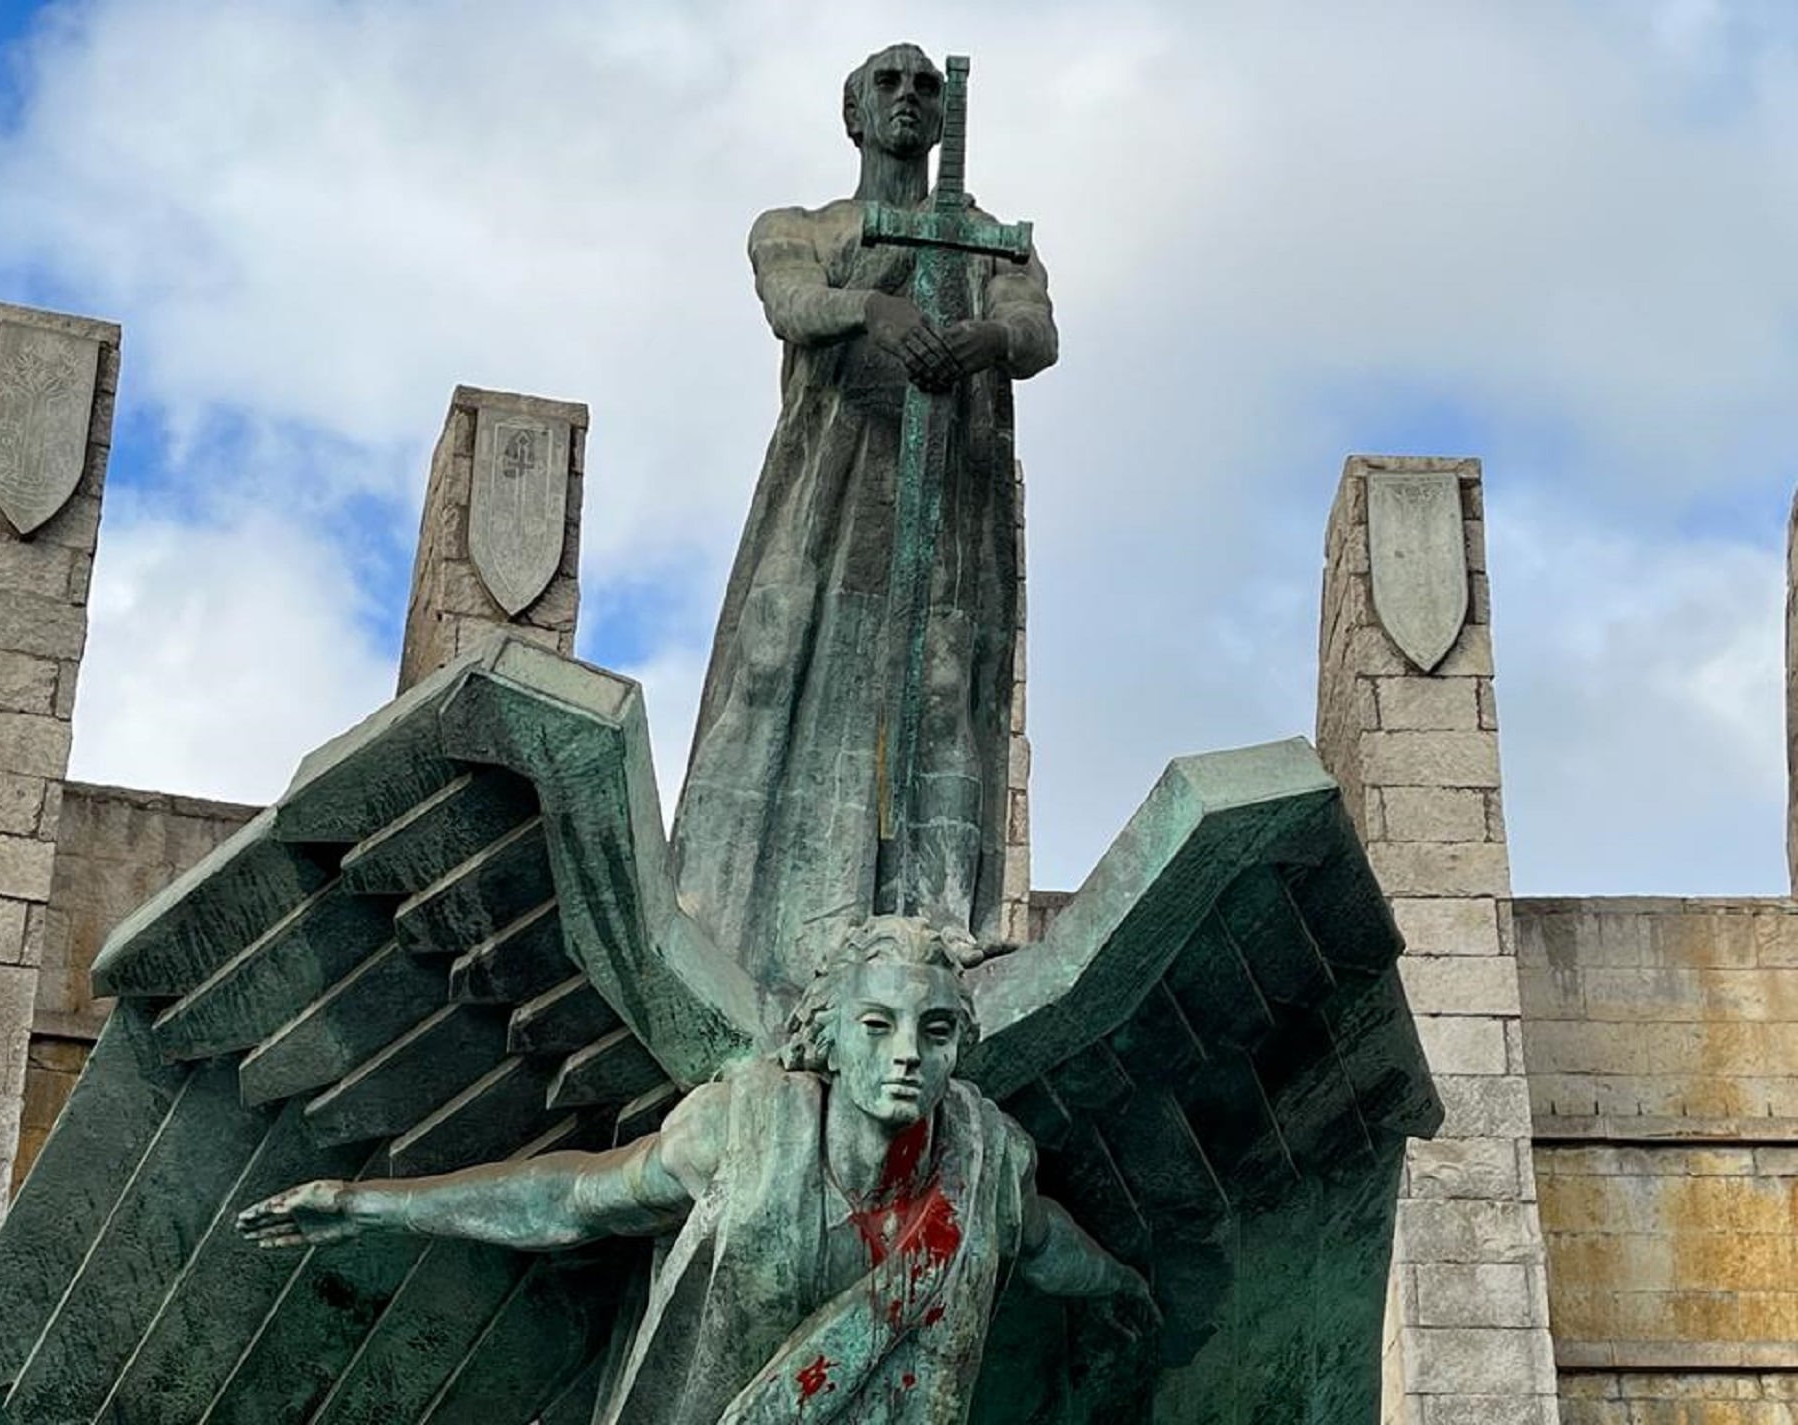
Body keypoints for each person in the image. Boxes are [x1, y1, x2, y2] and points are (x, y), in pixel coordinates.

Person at [238, 918, 1153, 1424]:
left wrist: (1127, 1287)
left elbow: (1043, 1244)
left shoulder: (985, 1167)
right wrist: (369, 1204)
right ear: (827, 1033)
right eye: (879, 1025)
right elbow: (571, 1198)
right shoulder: (744, 1127)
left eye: (936, 1030)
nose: (907, 1053)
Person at [667, 44, 1059, 988]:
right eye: (888, 83)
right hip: (828, 490)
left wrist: (981, 338)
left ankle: (935, 924)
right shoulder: (799, 225)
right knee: (773, 667)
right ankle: (715, 912)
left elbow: (1038, 330)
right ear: (853, 112)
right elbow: (792, 302)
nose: (910, 99)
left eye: (926, 86)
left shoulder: (991, 239)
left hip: (945, 502)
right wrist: (875, 310)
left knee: (940, 688)